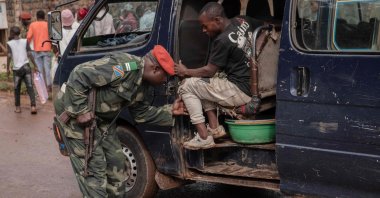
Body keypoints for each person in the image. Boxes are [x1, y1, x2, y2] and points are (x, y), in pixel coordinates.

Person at [54, 45, 185, 197]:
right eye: (165, 77)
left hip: (100, 118)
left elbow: (140, 114)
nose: (164, 82)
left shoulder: (145, 86)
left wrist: (171, 111)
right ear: (155, 69)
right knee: (94, 167)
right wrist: (80, 111)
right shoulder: (124, 66)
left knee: (117, 162)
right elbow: (79, 74)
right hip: (73, 112)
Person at [175, 2, 263, 150]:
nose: (203, 30)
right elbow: (265, 25)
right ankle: (215, 129)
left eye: (205, 26)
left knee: (187, 86)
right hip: (254, 84)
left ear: (217, 20)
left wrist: (185, 72)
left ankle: (203, 137)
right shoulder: (242, 20)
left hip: (240, 90)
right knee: (201, 83)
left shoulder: (222, 40)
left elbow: (209, 71)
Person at [6, 26, 38, 114]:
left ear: (12, 33)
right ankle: (33, 107)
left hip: (17, 70)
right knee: (30, 87)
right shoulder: (25, 41)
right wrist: (35, 65)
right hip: (26, 67)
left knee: (17, 89)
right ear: (19, 33)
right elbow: (29, 54)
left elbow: (9, 56)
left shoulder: (9, 43)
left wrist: (7, 68)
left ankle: (18, 108)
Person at [27, 10, 52, 92]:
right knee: (47, 68)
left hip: (37, 50)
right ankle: (49, 86)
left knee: (40, 69)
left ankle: (42, 87)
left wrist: (27, 46)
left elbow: (29, 37)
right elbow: (52, 36)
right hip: (47, 48)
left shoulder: (33, 25)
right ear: (44, 16)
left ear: (36, 16)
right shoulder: (48, 24)